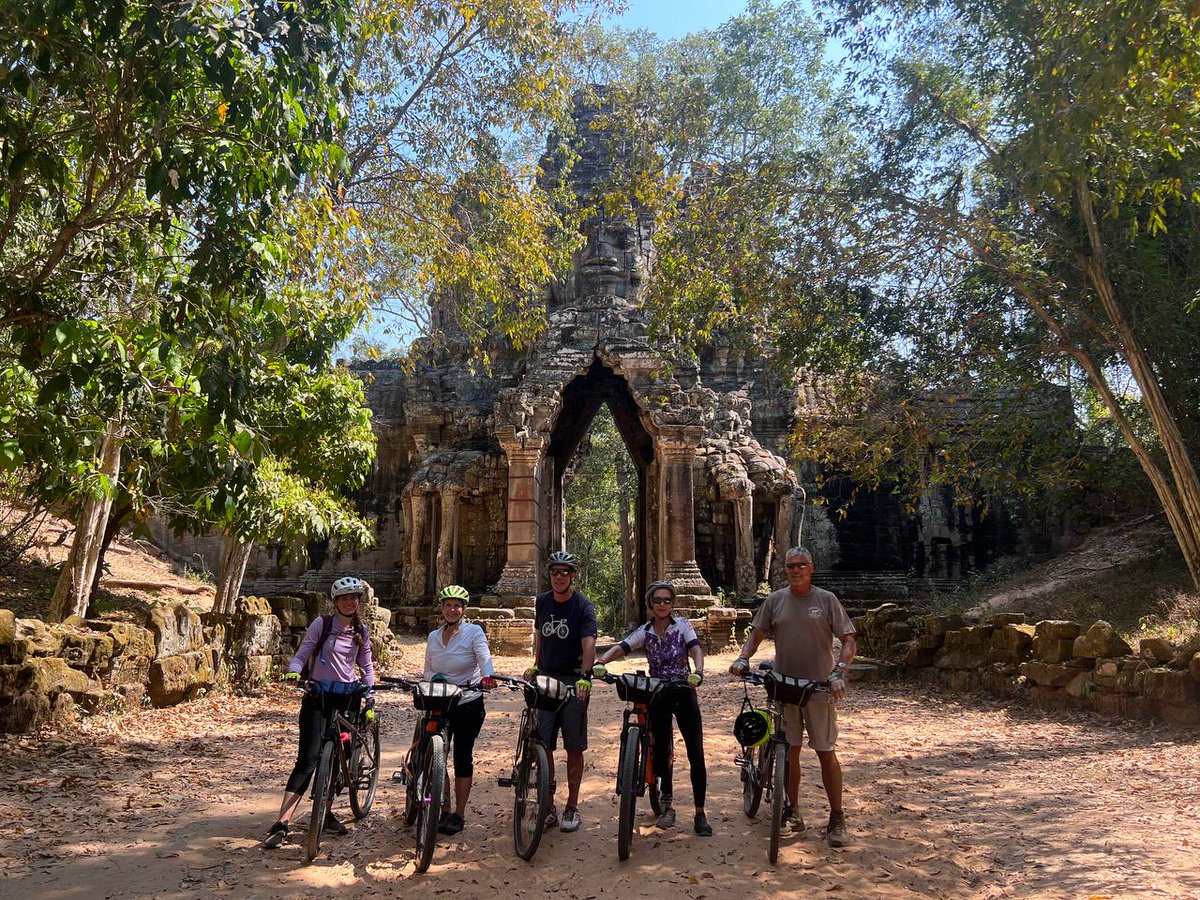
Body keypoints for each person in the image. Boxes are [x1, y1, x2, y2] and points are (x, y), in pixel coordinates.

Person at [729, 547, 857, 848]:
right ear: (784, 570)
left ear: (811, 567)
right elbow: (756, 633)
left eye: (801, 565)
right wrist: (743, 658)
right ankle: (792, 810)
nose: (795, 570)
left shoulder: (826, 600)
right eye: (790, 566)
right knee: (791, 751)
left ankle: (837, 816)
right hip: (784, 687)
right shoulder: (775, 601)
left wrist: (839, 671)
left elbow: (848, 640)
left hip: (818, 689)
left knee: (825, 751)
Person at [262, 576, 376, 849]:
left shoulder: (361, 630)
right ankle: (282, 823)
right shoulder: (322, 625)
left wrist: (369, 693)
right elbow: (303, 653)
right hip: (317, 695)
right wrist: (293, 669)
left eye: (354, 598)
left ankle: (325, 810)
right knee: (309, 758)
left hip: (348, 698)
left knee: (341, 756)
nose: (350, 602)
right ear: (335, 602)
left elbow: (366, 666)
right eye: (345, 598)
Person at [593, 579, 712, 837]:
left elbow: (695, 650)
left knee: (695, 751)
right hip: (657, 692)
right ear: (650, 603)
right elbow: (622, 647)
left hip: (683, 690)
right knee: (661, 751)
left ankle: (700, 812)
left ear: (672, 603)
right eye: (657, 600)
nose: (662, 604)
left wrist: (699, 671)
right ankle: (667, 804)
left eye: (667, 600)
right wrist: (601, 661)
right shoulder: (645, 631)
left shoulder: (682, 626)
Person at [524, 550, 597, 834]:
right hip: (547, 678)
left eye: (564, 573)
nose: (559, 577)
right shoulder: (542, 601)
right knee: (545, 743)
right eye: (555, 572)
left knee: (574, 747)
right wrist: (534, 663)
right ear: (550, 575)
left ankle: (573, 806)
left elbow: (589, 644)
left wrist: (585, 677)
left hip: (572, 680)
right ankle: (549, 806)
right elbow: (540, 635)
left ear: (572, 576)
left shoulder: (583, 606)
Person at [423, 584, 497, 836]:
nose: (452, 609)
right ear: (442, 608)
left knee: (462, 756)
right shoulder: (433, 637)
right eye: (448, 605)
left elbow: (484, 657)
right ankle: (443, 807)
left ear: (463, 609)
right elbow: (428, 669)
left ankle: (459, 814)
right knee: (436, 756)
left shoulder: (473, 632)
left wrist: (488, 676)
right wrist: (435, 678)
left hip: (467, 701)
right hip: (440, 700)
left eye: (457, 606)